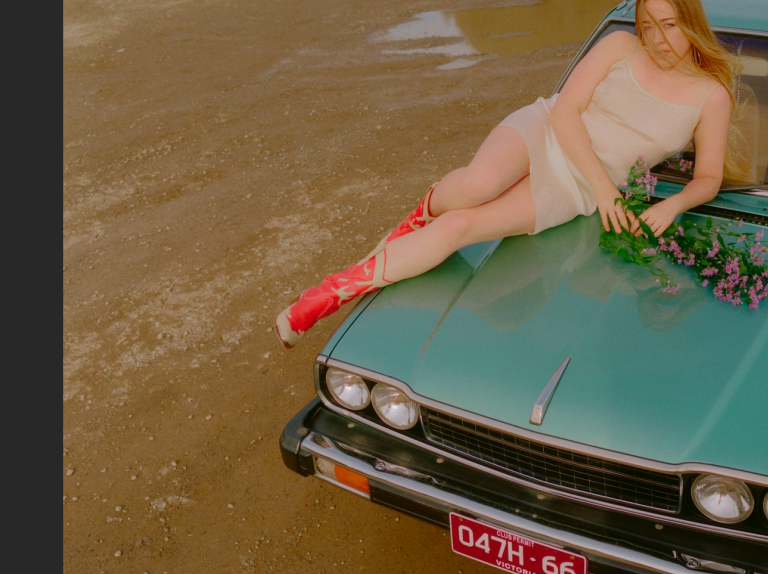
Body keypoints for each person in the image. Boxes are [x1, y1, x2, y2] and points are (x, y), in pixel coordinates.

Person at [274, 0, 737, 348]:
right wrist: (606, 191)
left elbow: (708, 178)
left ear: (690, 21)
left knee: (461, 226)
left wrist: (672, 205)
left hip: (573, 187)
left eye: (668, 25)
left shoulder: (711, 97)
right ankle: (415, 218)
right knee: (478, 185)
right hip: (549, 130)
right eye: (648, 25)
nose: (657, 39)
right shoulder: (620, 46)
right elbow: (565, 113)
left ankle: (327, 294)